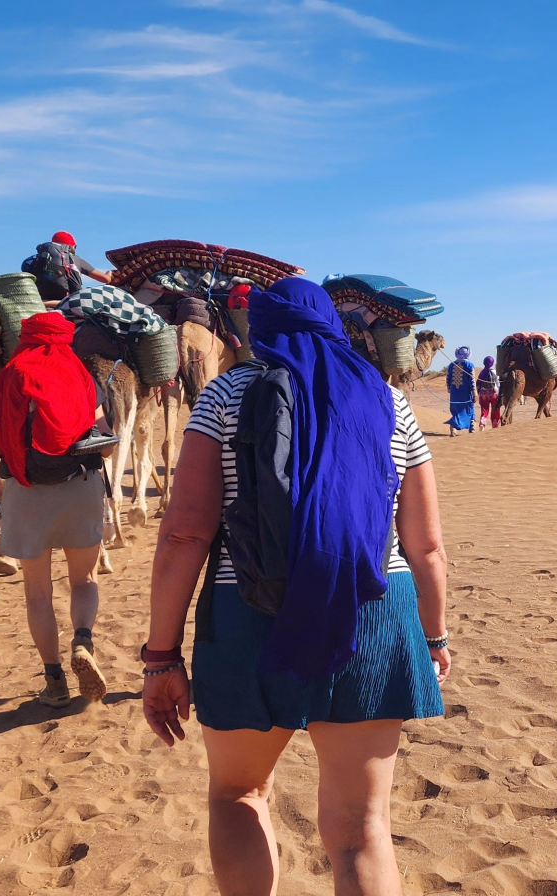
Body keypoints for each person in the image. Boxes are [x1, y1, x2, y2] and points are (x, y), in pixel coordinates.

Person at [140, 276, 450, 895]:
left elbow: (184, 536)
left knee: (237, 794)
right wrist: (434, 635)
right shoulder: (389, 400)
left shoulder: (224, 396)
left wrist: (160, 657)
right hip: (372, 611)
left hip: (248, 611)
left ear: (256, 328)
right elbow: (427, 547)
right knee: (364, 826)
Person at [0, 312, 113, 707]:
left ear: (26, 338)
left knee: (37, 594)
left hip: (25, 491)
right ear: (65, 338)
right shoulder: (81, 376)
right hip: (81, 488)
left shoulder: (8, 377)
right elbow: (105, 444)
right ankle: (83, 640)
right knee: (85, 580)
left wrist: (12, 469)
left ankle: (54, 681)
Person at [23, 231, 117, 306]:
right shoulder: (75, 259)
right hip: (68, 301)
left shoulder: (39, 260)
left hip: (40, 298)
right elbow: (105, 279)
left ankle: (44, 303)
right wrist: (109, 273)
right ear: (72, 246)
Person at [444, 347, 476, 436]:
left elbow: (448, 378)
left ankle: (453, 428)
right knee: (468, 409)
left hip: (454, 393)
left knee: (456, 410)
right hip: (466, 393)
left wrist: (449, 388)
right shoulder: (470, 365)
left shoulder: (451, 365)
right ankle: (472, 428)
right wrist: (475, 394)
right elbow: (472, 381)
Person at [475, 355, 501, 430]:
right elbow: (498, 383)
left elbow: (478, 383)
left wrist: (478, 392)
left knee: (484, 410)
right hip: (494, 393)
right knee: (495, 409)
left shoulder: (482, 372)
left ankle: (482, 423)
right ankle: (495, 425)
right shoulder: (495, 372)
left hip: (483, 394)